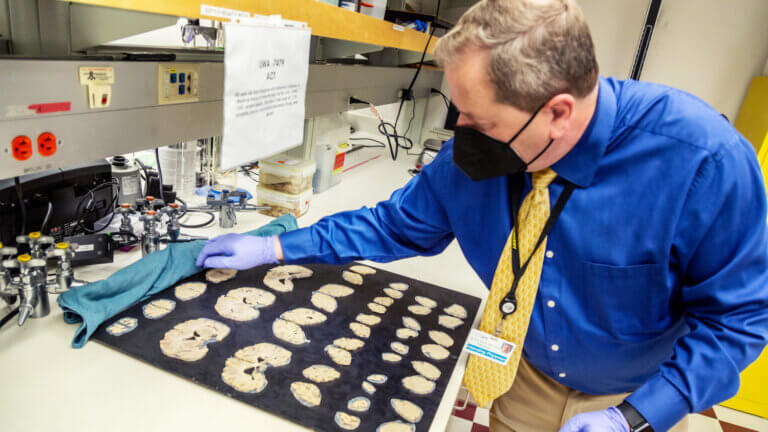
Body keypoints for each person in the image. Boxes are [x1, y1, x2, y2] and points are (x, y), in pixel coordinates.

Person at [196, 0, 768, 430]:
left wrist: (636, 416)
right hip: (523, 377)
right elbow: (394, 225)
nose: (460, 137)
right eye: (458, 112)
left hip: (643, 390)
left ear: (559, 113)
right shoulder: (474, 151)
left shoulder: (703, 164)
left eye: (480, 121)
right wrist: (275, 247)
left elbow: (738, 321)